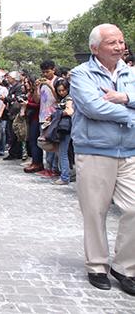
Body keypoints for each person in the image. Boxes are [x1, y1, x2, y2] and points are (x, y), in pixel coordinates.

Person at [70, 24, 135, 296]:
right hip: (95, 151)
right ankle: (97, 265)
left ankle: (125, 267)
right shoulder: (80, 74)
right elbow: (92, 107)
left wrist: (125, 97)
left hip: (129, 152)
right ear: (95, 48)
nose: (119, 47)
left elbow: (107, 105)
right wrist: (130, 114)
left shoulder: (130, 74)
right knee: (95, 212)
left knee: (133, 208)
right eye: (112, 42)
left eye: (121, 42)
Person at [37, 60, 58, 177]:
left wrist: (50, 86)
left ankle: (53, 169)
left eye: (47, 72)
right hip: (42, 116)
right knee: (45, 144)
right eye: (43, 72)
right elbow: (37, 100)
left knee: (52, 144)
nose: (45, 74)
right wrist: (36, 88)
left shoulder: (58, 81)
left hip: (53, 117)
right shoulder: (42, 83)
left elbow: (60, 98)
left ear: (53, 69)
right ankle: (48, 167)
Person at [51, 78, 73, 186]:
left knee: (63, 153)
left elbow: (69, 111)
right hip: (66, 128)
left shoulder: (69, 99)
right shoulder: (64, 98)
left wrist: (58, 114)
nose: (61, 92)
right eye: (59, 90)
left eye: (63, 90)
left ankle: (65, 177)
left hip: (66, 129)